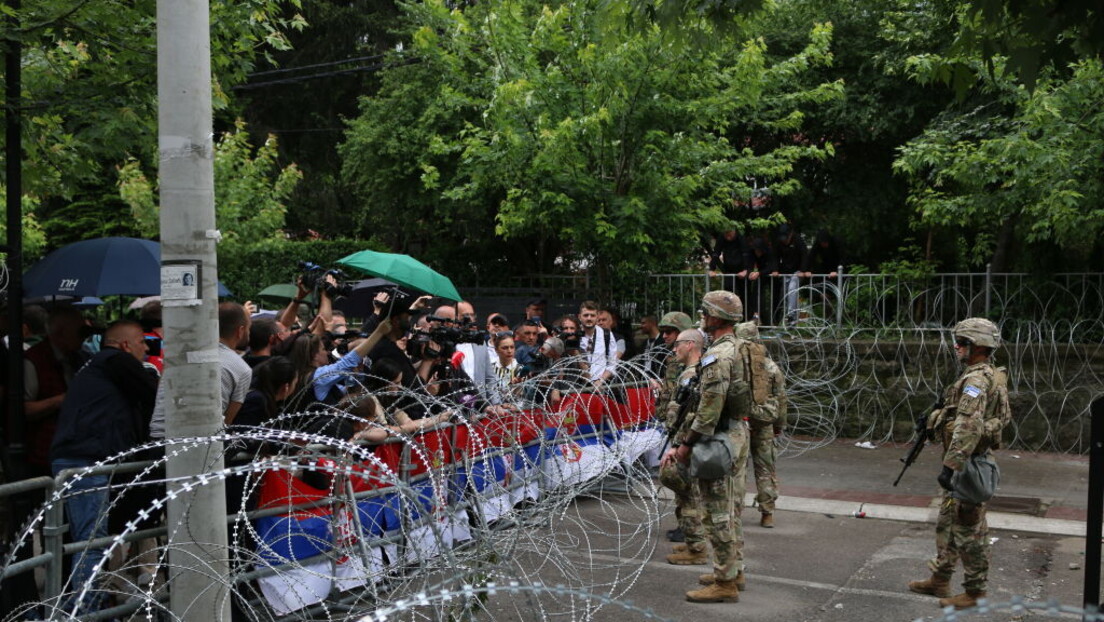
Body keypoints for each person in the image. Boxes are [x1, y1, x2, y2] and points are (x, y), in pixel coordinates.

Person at [50, 320, 158, 615]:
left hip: (81, 459)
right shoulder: (115, 360)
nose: (146, 349)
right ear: (125, 345)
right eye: (141, 342)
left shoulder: (98, 366)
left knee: (88, 541)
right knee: (91, 543)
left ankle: (85, 608)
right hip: (85, 461)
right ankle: (83, 612)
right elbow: (153, 394)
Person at [909, 318, 1011, 610]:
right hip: (967, 461)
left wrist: (949, 466)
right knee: (947, 524)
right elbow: (1000, 418)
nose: (957, 347)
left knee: (970, 531)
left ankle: (975, 592)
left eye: (963, 343)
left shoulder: (976, 381)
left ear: (979, 347)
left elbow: (967, 426)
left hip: (968, 465)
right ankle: (939, 578)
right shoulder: (990, 375)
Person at [659, 290, 751, 603]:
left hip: (719, 438)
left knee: (717, 512)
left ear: (715, 316)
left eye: (705, 312)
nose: (702, 317)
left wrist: (685, 446)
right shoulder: (737, 346)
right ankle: (732, 571)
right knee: (730, 508)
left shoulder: (719, 356)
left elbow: (709, 409)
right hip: (735, 432)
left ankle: (725, 582)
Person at [657, 329, 706, 562]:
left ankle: (696, 548)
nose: (674, 349)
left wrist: (679, 444)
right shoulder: (696, 371)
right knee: (686, 494)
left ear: (690, 345)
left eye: (678, 344)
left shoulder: (692, 374)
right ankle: (691, 541)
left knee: (689, 495)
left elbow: (687, 413)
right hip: (686, 440)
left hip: (686, 442)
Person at [735, 321, 787, 528]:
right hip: (764, 421)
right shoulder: (771, 366)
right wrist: (779, 425)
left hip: (740, 422)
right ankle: (767, 513)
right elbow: (781, 399)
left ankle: (735, 512)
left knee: (738, 470)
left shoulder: (736, 365)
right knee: (765, 468)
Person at [219, 302, 254, 425]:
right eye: (249, 328)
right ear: (240, 331)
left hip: (158, 436)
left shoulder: (181, 354)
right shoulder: (242, 369)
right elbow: (227, 421)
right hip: (200, 441)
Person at [578, 301, 617, 388]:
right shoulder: (575, 335)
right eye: (586, 315)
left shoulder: (606, 334)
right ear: (579, 317)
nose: (589, 318)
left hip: (601, 384)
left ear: (597, 317)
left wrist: (601, 380)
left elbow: (612, 363)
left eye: (592, 315)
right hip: (577, 385)